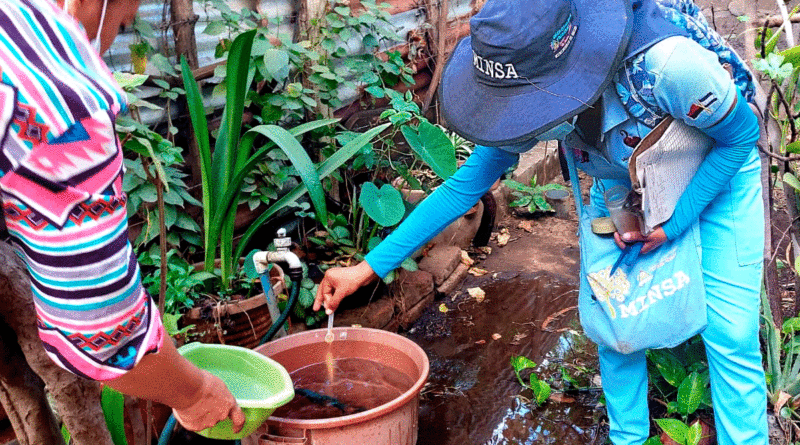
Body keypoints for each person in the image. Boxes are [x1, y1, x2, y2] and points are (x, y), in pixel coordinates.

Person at [313, 0, 767, 443]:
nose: (517, 120)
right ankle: (626, 437)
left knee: (731, 333)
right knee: (615, 322)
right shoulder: (522, 97)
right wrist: (366, 268)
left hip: (716, 168)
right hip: (620, 183)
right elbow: (461, 188)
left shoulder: (667, 66)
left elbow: (741, 135)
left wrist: (675, 224)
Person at [0, 0, 245, 433]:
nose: (128, 22)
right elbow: (99, 327)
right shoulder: (53, 92)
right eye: (131, 13)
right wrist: (194, 393)